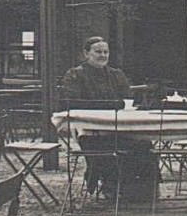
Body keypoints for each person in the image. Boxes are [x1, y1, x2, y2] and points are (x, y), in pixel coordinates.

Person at [59, 35, 154, 203]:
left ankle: (140, 191)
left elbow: (126, 100)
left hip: (120, 129)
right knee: (107, 147)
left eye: (106, 52)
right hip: (90, 132)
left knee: (144, 144)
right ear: (86, 53)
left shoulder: (116, 75)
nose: (103, 55)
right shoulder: (75, 75)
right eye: (98, 52)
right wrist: (112, 104)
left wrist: (117, 105)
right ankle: (112, 186)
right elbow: (73, 103)